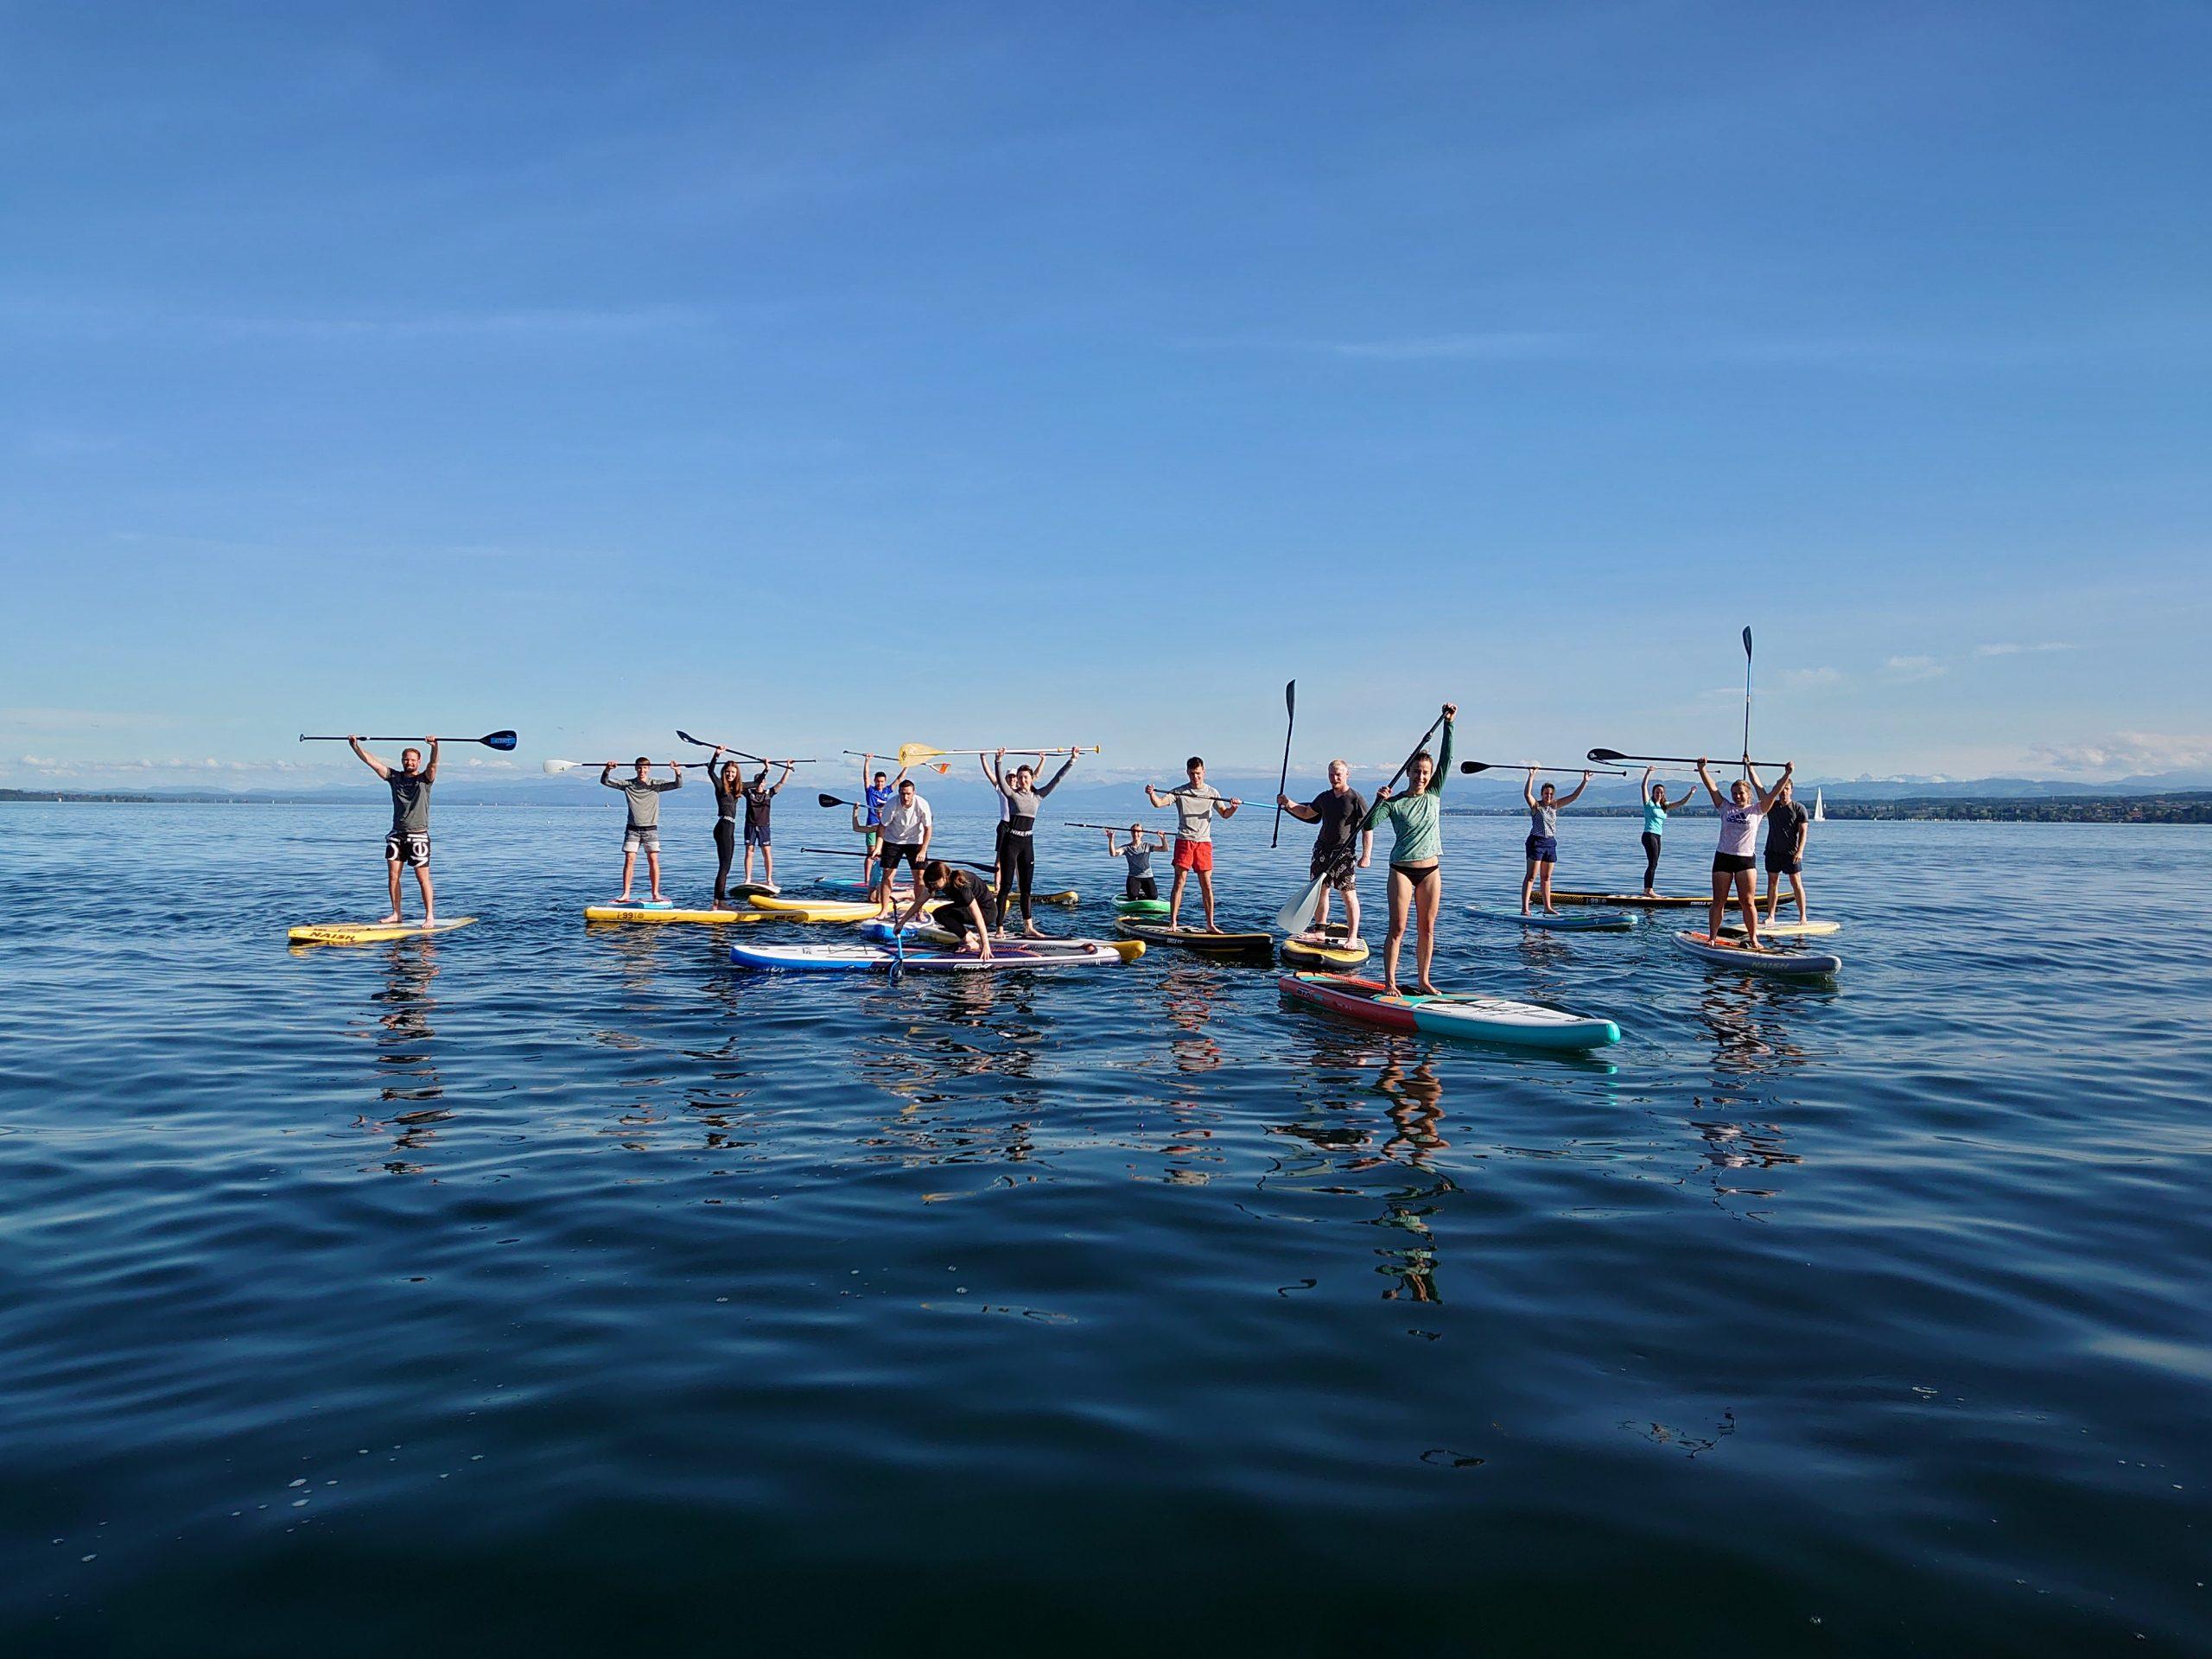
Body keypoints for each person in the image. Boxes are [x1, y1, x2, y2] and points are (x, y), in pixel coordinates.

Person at [1363, 704, 1457, 996]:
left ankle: (1423, 981)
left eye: (1425, 772)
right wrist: (1379, 801)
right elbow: (1369, 824)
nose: (1421, 777)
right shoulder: (1395, 802)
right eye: (1416, 771)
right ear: (1408, 772)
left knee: (1427, 929)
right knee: (1398, 928)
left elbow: (1447, 759)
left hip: (1431, 870)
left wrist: (1449, 724)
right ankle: (1390, 981)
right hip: (1402, 870)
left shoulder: (1434, 792)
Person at [1694, 756, 1795, 949]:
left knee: (1747, 902)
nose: (1736, 796)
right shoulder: (1725, 807)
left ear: (1748, 795)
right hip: (1723, 858)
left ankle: (1753, 938)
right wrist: (1702, 769)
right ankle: (1712, 937)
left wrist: (1787, 774)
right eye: (1734, 793)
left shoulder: (1758, 809)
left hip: (1745, 860)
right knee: (1718, 901)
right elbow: (1712, 788)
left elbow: (1774, 792)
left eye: (1740, 793)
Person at [982, 747, 1077, 938]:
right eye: (1020, 777)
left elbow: (1057, 779)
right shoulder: (1012, 795)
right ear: (1017, 779)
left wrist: (1072, 760)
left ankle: (1029, 927)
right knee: (1006, 886)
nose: (1023, 780)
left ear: (1032, 778)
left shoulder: (1038, 796)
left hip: (1027, 843)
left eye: (1026, 777)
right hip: (1011, 843)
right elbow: (1000, 781)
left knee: (1026, 887)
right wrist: (998, 761)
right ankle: (999, 928)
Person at [1276, 758, 1372, 940]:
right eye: (1331, 775)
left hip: (1344, 854)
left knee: (1349, 895)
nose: (1334, 778)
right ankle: (1320, 931)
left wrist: (1366, 856)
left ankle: (1352, 937)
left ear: (1347, 775)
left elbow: (1367, 828)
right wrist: (1287, 803)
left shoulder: (1355, 799)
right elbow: (1306, 813)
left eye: (1338, 775)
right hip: (1321, 851)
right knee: (1320, 891)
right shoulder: (1324, 797)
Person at [348, 735, 439, 924]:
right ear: (402, 761)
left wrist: (434, 746)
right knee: (393, 877)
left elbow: (433, 764)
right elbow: (372, 763)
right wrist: (355, 746)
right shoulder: (394, 777)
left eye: (413, 760)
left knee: (422, 878)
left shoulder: (425, 779)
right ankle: (396, 913)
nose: (410, 762)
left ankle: (429, 915)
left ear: (418, 762)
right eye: (406, 759)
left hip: (418, 836)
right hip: (396, 835)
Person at [1146, 758, 1242, 931]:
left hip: (1204, 843)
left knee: (1206, 884)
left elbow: (1225, 814)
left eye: (1198, 773)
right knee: (1179, 882)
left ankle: (1210, 924)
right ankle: (1173, 923)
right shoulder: (1180, 791)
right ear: (1187, 772)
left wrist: (1233, 807)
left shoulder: (1212, 792)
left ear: (1204, 772)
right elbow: (1159, 804)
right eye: (1192, 774)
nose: (1195, 777)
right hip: (1184, 840)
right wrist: (1152, 793)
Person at [601, 757, 684, 904]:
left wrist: (677, 771)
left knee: (653, 860)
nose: (642, 771)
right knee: (629, 860)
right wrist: (608, 769)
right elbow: (605, 782)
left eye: (644, 768)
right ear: (635, 768)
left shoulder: (656, 785)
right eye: (639, 768)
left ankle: (655, 893)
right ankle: (626, 894)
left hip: (651, 829)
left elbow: (678, 785)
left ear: (649, 768)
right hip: (632, 829)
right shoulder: (628, 784)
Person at [1520, 768, 1594, 916]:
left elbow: (1574, 796)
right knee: (1531, 877)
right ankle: (1525, 908)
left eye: (1551, 794)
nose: (1549, 796)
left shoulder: (1555, 806)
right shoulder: (1537, 806)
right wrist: (1531, 775)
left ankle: (1547, 907)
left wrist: (1585, 781)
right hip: (1536, 843)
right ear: (1542, 794)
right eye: (1546, 793)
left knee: (1546, 877)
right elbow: (1527, 794)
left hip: (1550, 843)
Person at [893, 859, 996, 958]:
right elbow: (918, 903)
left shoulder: (961, 884)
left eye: (934, 883)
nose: (932, 886)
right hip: (968, 908)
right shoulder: (938, 883)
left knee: (942, 914)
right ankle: (970, 937)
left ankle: (971, 942)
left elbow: (978, 917)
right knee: (938, 913)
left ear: (944, 878)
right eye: (930, 884)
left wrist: (985, 945)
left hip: (986, 912)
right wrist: (901, 923)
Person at [870, 775, 933, 918]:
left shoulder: (922, 804)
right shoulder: (891, 805)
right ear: (899, 793)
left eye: (908, 794)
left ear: (914, 793)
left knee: (920, 877)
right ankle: (884, 910)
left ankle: (919, 911)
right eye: (903, 794)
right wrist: (878, 847)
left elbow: (928, 829)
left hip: (915, 841)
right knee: (888, 875)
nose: (905, 797)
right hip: (893, 841)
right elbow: (882, 827)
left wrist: (923, 850)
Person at [1637, 766, 1697, 897]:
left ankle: (1647, 889)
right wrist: (1648, 772)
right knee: (1652, 863)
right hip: (1649, 834)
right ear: (1653, 793)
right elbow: (1643, 786)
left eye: (1661, 792)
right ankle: (1648, 890)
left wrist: (1691, 793)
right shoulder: (1649, 804)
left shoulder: (1665, 806)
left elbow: (1681, 803)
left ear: (1663, 794)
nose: (1659, 794)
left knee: (1655, 863)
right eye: (1657, 792)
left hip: (1658, 836)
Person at [1762, 775, 1812, 924]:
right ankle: (1771, 916)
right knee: (1772, 883)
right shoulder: (1772, 806)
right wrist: (1750, 767)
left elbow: (1803, 832)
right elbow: (1759, 788)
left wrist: (1800, 851)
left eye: (1787, 789)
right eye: (1781, 789)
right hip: (1772, 851)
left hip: (1791, 853)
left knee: (1796, 883)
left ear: (1791, 791)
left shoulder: (1799, 808)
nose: (1784, 792)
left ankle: (1803, 916)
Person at [741, 760, 795, 889]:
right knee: (749, 851)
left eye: (762, 781)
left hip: (764, 826)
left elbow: (782, 783)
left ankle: (769, 880)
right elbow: (738, 785)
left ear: (764, 782)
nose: (760, 783)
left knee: (766, 852)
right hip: (750, 826)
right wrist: (766, 767)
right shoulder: (748, 793)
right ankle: (748, 879)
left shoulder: (769, 793)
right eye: (757, 781)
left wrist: (788, 768)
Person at [706, 746, 747, 907]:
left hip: (730, 828)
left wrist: (766, 768)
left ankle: (718, 900)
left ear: (737, 774)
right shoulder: (720, 787)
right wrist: (716, 755)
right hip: (723, 826)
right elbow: (710, 771)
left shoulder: (737, 789)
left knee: (726, 865)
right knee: (724, 866)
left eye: (733, 772)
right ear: (725, 772)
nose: (730, 774)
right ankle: (719, 901)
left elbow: (756, 783)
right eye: (728, 772)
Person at [1104, 824, 1171, 899]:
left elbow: (1165, 849)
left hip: (1147, 876)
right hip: (1134, 877)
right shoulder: (1126, 848)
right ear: (1131, 833)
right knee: (1132, 897)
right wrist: (1111, 839)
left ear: (1142, 833)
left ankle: (1142, 891)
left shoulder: (1147, 846)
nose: (1136, 834)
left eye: (1138, 831)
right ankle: (1136, 891)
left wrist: (1163, 838)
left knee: (1153, 897)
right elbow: (1113, 854)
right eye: (1133, 831)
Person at [859, 764, 895, 889]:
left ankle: (883, 879)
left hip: (884, 826)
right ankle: (867, 881)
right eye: (878, 781)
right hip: (872, 825)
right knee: (871, 854)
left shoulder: (887, 791)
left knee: (884, 854)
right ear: (875, 781)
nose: (880, 783)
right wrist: (867, 761)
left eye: (882, 781)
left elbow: (899, 780)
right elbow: (865, 777)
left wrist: (907, 766)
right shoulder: (870, 791)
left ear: (885, 782)